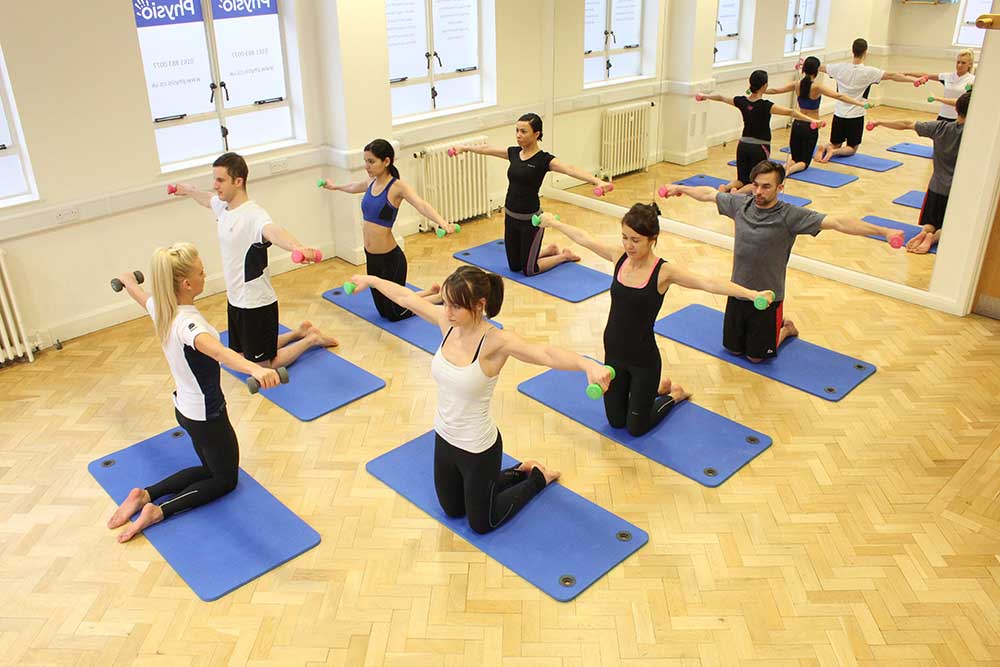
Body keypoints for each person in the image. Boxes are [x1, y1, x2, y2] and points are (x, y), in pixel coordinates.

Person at [346, 265, 611, 534]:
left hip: (478, 448)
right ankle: (518, 471)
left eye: (455, 307)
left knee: (482, 524)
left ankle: (538, 479)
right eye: (445, 302)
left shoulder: (495, 342)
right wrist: (372, 279)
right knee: (453, 510)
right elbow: (406, 298)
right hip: (444, 438)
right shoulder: (447, 324)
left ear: (479, 305)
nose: (446, 311)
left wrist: (586, 364)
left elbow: (544, 353)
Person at [536, 204, 775, 436]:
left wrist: (752, 294)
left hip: (643, 361)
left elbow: (708, 282)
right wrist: (555, 223)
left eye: (636, 240)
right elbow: (584, 238)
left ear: (653, 239)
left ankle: (673, 395)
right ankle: (655, 391)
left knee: (636, 428)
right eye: (625, 237)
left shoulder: (663, 272)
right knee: (616, 422)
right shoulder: (618, 257)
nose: (628, 245)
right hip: (614, 354)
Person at [106, 243, 281, 542]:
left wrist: (129, 281)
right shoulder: (190, 324)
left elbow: (139, 295)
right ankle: (158, 510)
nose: (205, 274)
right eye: (201, 271)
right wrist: (257, 370)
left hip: (185, 410)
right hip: (207, 414)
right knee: (226, 479)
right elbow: (221, 353)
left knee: (210, 468)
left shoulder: (162, 308)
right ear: (187, 284)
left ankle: (143, 495)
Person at [659, 161, 904, 362]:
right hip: (737, 291)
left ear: (780, 188)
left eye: (766, 187)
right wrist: (680, 188)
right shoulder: (741, 204)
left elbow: (839, 222)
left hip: (768, 296)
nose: (758, 192)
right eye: (755, 185)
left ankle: (785, 329)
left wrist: (883, 232)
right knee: (732, 350)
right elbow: (710, 194)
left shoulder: (791, 216)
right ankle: (771, 331)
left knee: (756, 358)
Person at [171, 152, 338, 367]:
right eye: (215, 179)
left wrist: (297, 247)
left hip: (256, 303)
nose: (215, 185)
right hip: (235, 298)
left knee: (262, 366)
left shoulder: (253, 215)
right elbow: (207, 200)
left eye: (220, 180)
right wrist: (190, 191)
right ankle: (300, 332)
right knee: (239, 354)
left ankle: (311, 340)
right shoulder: (224, 207)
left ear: (238, 181)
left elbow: (273, 231)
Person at [452, 113, 611, 276]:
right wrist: (465, 148)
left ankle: (563, 256)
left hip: (531, 222)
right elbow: (487, 149)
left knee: (530, 270)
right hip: (511, 217)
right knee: (514, 267)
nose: (518, 135)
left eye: (523, 131)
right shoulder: (514, 153)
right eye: (517, 131)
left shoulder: (543, 160)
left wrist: (597, 181)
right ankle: (550, 249)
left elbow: (570, 169)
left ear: (537, 134)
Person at [322, 139, 453, 321]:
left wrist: (443, 222)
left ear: (386, 161)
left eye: (371, 161)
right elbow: (353, 187)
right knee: (384, 311)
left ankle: (437, 297)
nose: (367, 166)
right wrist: (334, 186)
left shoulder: (397, 187)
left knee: (396, 313)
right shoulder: (371, 183)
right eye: (365, 161)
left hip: (391, 259)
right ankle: (431, 292)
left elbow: (421, 204)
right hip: (372, 257)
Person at [869, 90, 971, 254]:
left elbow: (907, 124)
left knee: (931, 223)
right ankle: (933, 239)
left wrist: (880, 121)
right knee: (950, 225)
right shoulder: (976, 135)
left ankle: (925, 233)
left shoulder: (940, 127)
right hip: (958, 193)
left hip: (936, 188)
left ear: (957, 110)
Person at [696, 70, 816, 192]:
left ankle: (725, 188)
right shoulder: (767, 105)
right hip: (759, 148)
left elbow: (721, 97)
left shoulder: (741, 101)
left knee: (741, 180)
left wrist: (704, 96)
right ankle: (735, 195)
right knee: (755, 183)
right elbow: (792, 112)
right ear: (764, 86)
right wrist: (813, 120)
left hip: (742, 146)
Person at [815, 38, 924, 163]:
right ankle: (833, 152)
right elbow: (892, 76)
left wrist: (803, 65)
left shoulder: (839, 68)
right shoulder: (869, 72)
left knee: (835, 143)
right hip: (856, 115)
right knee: (852, 148)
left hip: (839, 113)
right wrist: (913, 80)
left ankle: (828, 148)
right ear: (865, 52)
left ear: (852, 51)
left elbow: (819, 67)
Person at [764, 57, 867, 176]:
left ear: (804, 70)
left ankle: (780, 170)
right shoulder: (817, 87)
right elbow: (839, 96)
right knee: (804, 162)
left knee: (794, 158)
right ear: (816, 71)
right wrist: (859, 103)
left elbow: (775, 90)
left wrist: (757, 91)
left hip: (797, 124)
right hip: (811, 126)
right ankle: (786, 173)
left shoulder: (797, 84)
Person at [904, 49, 975, 121]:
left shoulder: (973, 80)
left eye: (963, 63)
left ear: (969, 64)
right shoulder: (947, 76)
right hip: (943, 115)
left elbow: (959, 102)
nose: (959, 65)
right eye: (958, 62)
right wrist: (907, 74)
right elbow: (926, 75)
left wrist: (936, 98)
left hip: (959, 119)